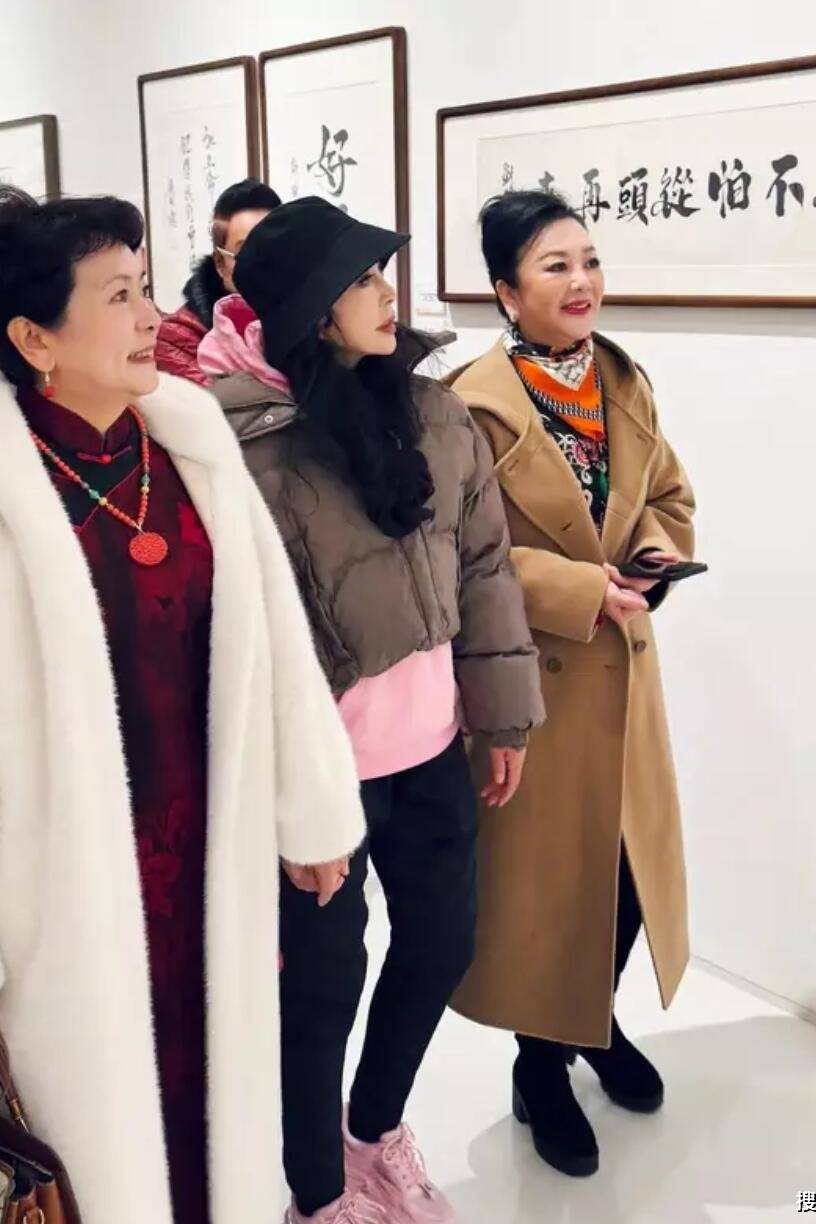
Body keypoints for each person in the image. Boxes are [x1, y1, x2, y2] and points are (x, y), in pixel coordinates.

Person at [0, 186, 365, 1224]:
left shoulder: (188, 440)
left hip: (208, 840)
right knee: (97, 1125)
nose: (152, 317)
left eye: (147, 286)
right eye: (117, 296)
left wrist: (310, 810)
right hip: (63, 875)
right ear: (34, 337)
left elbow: (276, 638)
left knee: (217, 1100)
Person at [200, 196, 545, 1224]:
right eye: (360, 281)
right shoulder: (235, 444)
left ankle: (374, 1132)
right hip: (319, 779)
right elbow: (231, 641)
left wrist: (502, 713)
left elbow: (483, 565)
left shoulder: (431, 410)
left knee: (442, 943)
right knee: (319, 996)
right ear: (312, 308)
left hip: (431, 749)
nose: (387, 294)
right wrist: (275, 797)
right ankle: (317, 1194)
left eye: (381, 272)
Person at [447, 189, 697, 1178]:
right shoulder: (468, 403)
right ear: (507, 292)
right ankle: (538, 1064)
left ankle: (593, 1022)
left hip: (623, 676)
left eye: (588, 260)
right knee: (544, 892)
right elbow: (459, 554)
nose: (582, 280)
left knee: (627, 880)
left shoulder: (621, 379)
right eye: (555, 266)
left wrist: (652, 555)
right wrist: (578, 588)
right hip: (532, 682)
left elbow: (667, 495)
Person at [155, 177, 280, 384]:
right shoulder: (178, 338)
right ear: (220, 263)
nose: (264, 264)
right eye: (246, 252)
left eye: (274, 248)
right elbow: (222, 403)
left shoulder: (310, 319)